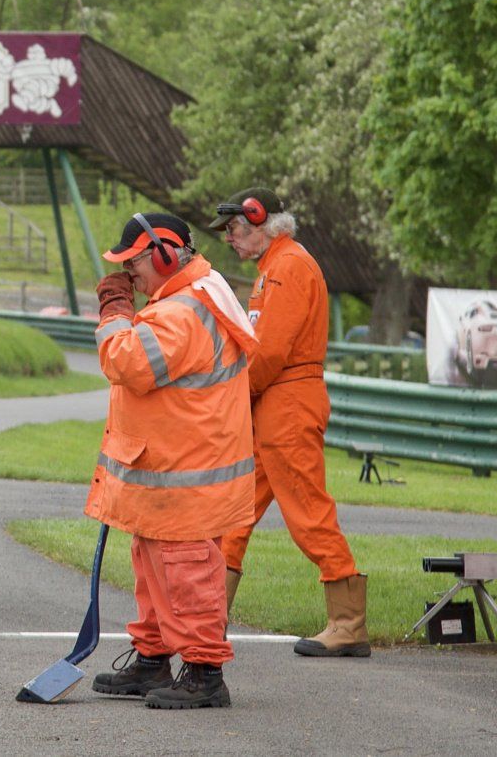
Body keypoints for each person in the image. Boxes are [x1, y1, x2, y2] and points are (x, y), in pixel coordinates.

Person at [85, 212, 258, 710]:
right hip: (171, 467)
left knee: (186, 569)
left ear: (162, 256)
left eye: (132, 263)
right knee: (153, 563)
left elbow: (127, 363)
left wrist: (114, 309)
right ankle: (153, 656)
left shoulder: (182, 311)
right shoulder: (186, 295)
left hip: (187, 471)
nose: (127, 275)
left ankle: (204, 672)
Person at [210, 188, 368, 656]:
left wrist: (232, 394)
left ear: (261, 221)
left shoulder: (288, 266)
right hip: (271, 405)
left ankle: (348, 623)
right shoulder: (273, 267)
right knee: (233, 512)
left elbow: (271, 350)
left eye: (235, 230)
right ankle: (207, 616)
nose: (230, 240)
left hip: (287, 403)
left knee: (307, 513)